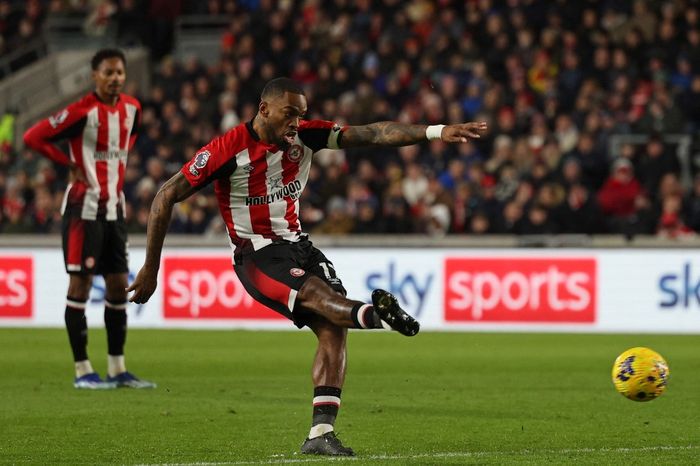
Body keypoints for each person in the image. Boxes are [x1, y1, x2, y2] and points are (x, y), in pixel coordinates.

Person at [127, 78, 487, 455]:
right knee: (319, 297)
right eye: (290, 113)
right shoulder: (227, 149)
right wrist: (151, 268)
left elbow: (375, 133)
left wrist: (436, 130)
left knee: (334, 327)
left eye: (301, 114)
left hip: (301, 246)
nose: (297, 122)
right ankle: (378, 316)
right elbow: (165, 195)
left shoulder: (306, 137)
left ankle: (320, 435)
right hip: (259, 255)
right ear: (264, 109)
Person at [23, 48, 155, 390]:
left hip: (115, 209)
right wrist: (66, 163)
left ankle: (117, 369)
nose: (114, 78)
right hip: (83, 209)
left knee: (116, 286)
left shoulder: (132, 109)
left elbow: (130, 138)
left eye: (119, 73)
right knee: (80, 286)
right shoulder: (81, 111)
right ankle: (83, 370)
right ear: (94, 76)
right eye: (108, 72)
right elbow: (32, 137)